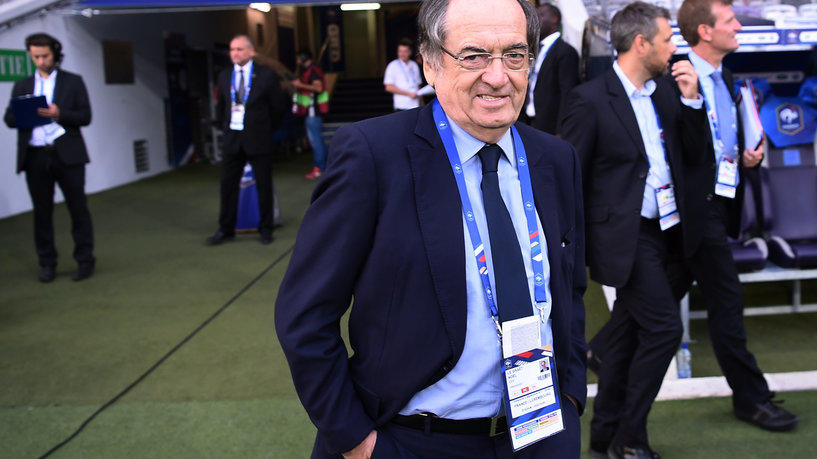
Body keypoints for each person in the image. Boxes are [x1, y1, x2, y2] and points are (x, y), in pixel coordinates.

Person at [275, 0, 588, 457]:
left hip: (540, 433)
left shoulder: (556, 159)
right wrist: (356, 440)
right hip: (411, 439)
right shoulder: (373, 155)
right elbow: (305, 313)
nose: (498, 76)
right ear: (431, 64)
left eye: (514, 55)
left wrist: (572, 397)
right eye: (474, 56)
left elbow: (570, 289)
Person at [560, 3, 709, 457]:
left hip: (670, 232)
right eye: (667, 40)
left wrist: (692, 102)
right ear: (641, 43)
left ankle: (605, 434)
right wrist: (571, 247)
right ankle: (629, 439)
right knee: (663, 330)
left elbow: (693, 155)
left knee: (624, 338)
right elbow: (568, 178)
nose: (673, 49)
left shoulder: (666, 91)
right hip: (625, 237)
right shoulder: (589, 100)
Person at [674, 0, 798, 431]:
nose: (739, 26)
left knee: (656, 303)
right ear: (705, 31)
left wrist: (745, 154)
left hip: (718, 205)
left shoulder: (724, 77)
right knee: (727, 301)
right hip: (693, 212)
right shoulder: (677, 77)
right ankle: (751, 399)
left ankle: (600, 352)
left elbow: (717, 142)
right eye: (730, 21)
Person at [4, 33, 94, 283]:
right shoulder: (22, 86)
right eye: (36, 57)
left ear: (55, 54)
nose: (41, 61)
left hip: (68, 155)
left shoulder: (73, 82)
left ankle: (85, 260)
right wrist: (26, 114)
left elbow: (85, 116)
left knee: (78, 209)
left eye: (45, 56)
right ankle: (47, 263)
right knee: (41, 213)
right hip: (35, 156)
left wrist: (59, 113)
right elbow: (9, 119)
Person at [206, 35, 285, 246]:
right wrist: (225, 128)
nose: (235, 53)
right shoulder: (224, 75)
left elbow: (278, 107)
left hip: (259, 139)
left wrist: (265, 129)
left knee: (263, 185)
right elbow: (222, 107)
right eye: (232, 49)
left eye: (239, 49)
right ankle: (226, 229)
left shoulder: (267, 75)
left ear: (251, 51)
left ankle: (266, 228)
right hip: (233, 140)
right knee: (227, 186)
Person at [522, 3, 579, 135]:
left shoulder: (565, 52)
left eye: (541, 15)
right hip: (529, 121)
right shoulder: (535, 49)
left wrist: (561, 130)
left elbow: (568, 94)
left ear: (554, 19)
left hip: (550, 127)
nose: (536, 20)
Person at [292, 49, 330, 180]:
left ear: (303, 57)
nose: (297, 61)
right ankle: (326, 166)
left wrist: (300, 85)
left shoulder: (312, 71)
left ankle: (320, 168)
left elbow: (318, 88)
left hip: (313, 111)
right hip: (310, 111)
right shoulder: (309, 70)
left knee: (316, 141)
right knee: (317, 140)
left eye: (298, 58)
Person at [383, 38, 423, 111]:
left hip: (415, 105)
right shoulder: (392, 65)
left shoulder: (414, 65)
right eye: (400, 51)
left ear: (410, 52)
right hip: (402, 105)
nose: (402, 54)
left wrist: (422, 103)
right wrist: (408, 94)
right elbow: (388, 87)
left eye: (405, 51)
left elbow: (418, 86)